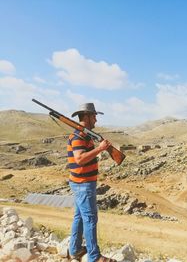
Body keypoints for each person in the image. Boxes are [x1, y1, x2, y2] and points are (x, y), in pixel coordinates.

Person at [67, 103, 115, 262]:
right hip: (83, 184)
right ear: (86, 117)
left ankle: (75, 249)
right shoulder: (78, 136)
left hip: (82, 183)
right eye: (94, 116)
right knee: (90, 218)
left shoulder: (84, 135)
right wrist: (100, 149)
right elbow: (80, 159)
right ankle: (94, 257)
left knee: (80, 217)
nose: (96, 119)